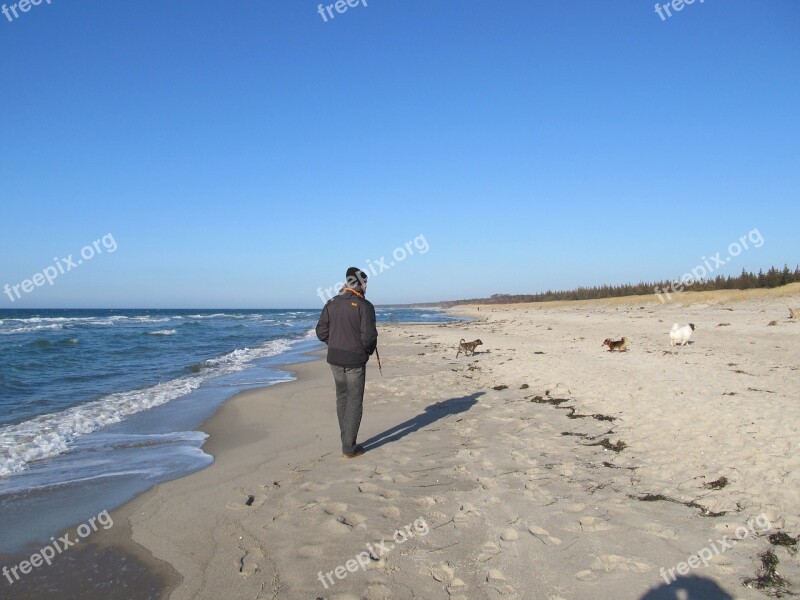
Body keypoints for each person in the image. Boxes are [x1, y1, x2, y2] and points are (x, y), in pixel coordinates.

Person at [316, 267, 378, 458]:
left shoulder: (331, 302)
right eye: (365, 282)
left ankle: (346, 441)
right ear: (358, 283)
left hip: (336, 358)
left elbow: (321, 332)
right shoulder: (364, 305)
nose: (366, 286)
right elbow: (369, 338)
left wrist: (335, 344)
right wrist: (363, 352)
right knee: (353, 401)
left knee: (343, 398)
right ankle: (349, 447)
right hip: (352, 360)